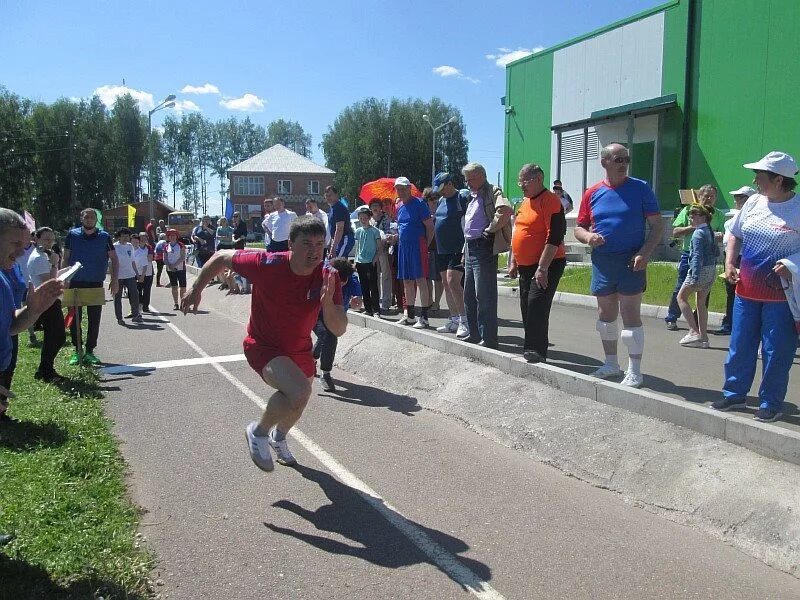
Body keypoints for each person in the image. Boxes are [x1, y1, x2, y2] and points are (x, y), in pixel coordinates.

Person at [180, 216, 346, 472]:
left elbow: (339, 328)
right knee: (299, 391)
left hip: (299, 349)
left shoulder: (328, 276)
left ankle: (278, 438)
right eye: (306, 244)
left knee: (299, 400)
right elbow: (222, 256)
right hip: (264, 345)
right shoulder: (267, 263)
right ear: (290, 244)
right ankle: (257, 432)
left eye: (319, 244)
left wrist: (326, 305)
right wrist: (197, 287)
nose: (314, 251)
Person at [713, 151, 800, 422]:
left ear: (778, 180)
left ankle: (770, 402)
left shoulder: (797, 210)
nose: (755, 180)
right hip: (746, 291)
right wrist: (729, 264)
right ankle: (734, 394)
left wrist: (793, 264)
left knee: (776, 350)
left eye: (760, 176)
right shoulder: (752, 203)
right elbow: (735, 235)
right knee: (740, 344)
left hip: (781, 296)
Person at [574, 143, 664, 388]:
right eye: (618, 159)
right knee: (605, 316)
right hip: (603, 261)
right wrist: (588, 237)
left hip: (631, 261)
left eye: (626, 159)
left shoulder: (640, 188)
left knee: (630, 314)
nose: (623, 163)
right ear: (604, 162)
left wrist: (644, 253)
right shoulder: (592, 193)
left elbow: (657, 225)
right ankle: (611, 364)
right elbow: (579, 227)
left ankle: (635, 370)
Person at [0, 209, 63, 415]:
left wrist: (32, 312)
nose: (21, 252)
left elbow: (8, 327)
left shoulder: (4, 276)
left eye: (24, 245)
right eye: (15, 244)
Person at [508, 163, 567, 363]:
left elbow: (555, 236)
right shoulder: (525, 202)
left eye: (525, 181)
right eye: (519, 181)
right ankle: (531, 348)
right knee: (526, 305)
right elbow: (518, 232)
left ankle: (536, 351)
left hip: (548, 263)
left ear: (539, 179)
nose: (521, 185)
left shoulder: (551, 201)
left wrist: (542, 268)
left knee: (537, 303)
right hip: (525, 265)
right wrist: (514, 261)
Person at [460, 162, 513, 348]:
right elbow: (468, 225)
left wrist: (490, 230)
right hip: (470, 248)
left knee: (484, 295)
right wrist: (464, 251)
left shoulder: (493, 191)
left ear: (480, 176)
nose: (467, 183)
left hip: (484, 248)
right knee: (468, 295)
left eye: (470, 179)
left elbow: (505, 210)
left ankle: (488, 338)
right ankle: (475, 334)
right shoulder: (472, 196)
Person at [664, 184, 726, 330]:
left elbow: (723, 235)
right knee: (681, 286)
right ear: (700, 196)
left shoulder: (719, 215)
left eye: (712, 196)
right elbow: (676, 231)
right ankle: (672, 317)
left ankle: (698, 321)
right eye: (705, 196)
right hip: (689, 254)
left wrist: (715, 234)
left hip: (708, 257)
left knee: (704, 289)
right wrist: (696, 226)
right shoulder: (689, 210)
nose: (708, 199)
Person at [63, 207, 119, 366]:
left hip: (95, 283)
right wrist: (64, 279)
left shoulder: (105, 237)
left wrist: (115, 280)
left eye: (92, 217)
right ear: (82, 219)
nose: (89, 220)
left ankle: (89, 351)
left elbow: (114, 259)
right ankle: (77, 350)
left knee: (94, 319)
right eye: (86, 217)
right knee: (75, 319)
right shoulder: (72, 235)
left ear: (96, 220)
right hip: (75, 283)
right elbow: (66, 258)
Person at [313, 256, 361, 392]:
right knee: (329, 335)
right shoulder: (322, 275)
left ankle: (311, 358)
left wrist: (357, 300)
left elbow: (357, 299)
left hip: (336, 315)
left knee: (326, 337)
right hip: (317, 313)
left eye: (343, 284)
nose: (340, 287)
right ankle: (325, 374)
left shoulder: (351, 279)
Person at [713, 186, 756, 335]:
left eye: (740, 197)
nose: (736, 200)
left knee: (741, 292)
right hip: (730, 258)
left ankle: (736, 325)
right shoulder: (734, 216)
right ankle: (730, 324)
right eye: (736, 197)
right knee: (730, 292)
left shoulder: (753, 216)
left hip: (742, 258)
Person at [431, 173, 469, 337]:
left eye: (442, 188)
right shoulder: (441, 200)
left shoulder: (463, 196)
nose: (441, 192)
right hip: (442, 249)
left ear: (450, 183)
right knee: (446, 284)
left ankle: (464, 321)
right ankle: (454, 319)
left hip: (457, 247)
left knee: (454, 282)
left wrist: (465, 248)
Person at [676, 204, 718, 349]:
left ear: (703, 217)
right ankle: (704, 338)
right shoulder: (709, 231)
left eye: (695, 215)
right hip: (711, 270)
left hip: (699, 271)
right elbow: (716, 252)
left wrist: (694, 275)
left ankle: (694, 331)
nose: (691, 217)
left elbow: (696, 256)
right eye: (690, 215)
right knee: (701, 303)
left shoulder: (698, 233)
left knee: (681, 298)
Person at [394, 177, 434, 328]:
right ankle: (409, 315)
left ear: (409, 188)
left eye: (403, 188)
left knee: (420, 280)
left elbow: (430, 227)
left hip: (418, 246)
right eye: (398, 189)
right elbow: (402, 227)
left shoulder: (419, 204)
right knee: (407, 281)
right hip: (403, 247)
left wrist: (425, 245)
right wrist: (395, 237)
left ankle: (424, 317)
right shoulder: (398, 206)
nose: (401, 191)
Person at [27, 226, 66, 382]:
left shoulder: (43, 255)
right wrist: (56, 264)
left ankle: (44, 369)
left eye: (52, 239)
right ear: (36, 240)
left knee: (54, 337)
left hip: (49, 300)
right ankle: (46, 371)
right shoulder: (39, 258)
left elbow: (52, 278)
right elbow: (50, 282)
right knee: (56, 337)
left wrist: (63, 270)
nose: (50, 243)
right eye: (46, 239)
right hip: (46, 302)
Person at [353, 205, 382, 316]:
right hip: (360, 262)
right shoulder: (358, 231)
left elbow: (379, 248)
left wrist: (374, 259)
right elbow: (358, 247)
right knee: (364, 286)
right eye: (360, 218)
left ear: (369, 218)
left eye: (365, 218)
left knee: (373, 286)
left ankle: (376, 309)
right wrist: (355, 261)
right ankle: (368, 308)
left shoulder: (375, 231)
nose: (362, 220)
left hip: (370, 262)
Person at [369, 199, 394, 312]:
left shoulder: (386, 218)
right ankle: (376, 300)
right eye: (373, 206)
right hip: (372, 251)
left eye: (377, 206)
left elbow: (390, 233)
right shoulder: (370, 220)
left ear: (380, 207)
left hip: (383, 250)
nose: (375, 208)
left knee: (386, 276)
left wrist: (385, 238)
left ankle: (386, 301)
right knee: (374, 276)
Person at [113, 228, 142, 325]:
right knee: (117, 297)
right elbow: (111, 263)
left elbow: (132, 261)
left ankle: (135, 315)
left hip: (130, 275)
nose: (125, 238)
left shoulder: (130, 246)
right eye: (123, 236)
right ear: (119, 237)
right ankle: (119, 318)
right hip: (119, 276)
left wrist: (137, 274)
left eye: (127, 236)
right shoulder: (114, 247)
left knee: (135, 295)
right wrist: (113, 279)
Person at [423, 188, 444, 312]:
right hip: (426, 248)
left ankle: (437, 302)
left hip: (438, 248)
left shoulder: (441, 212)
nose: (434, 201)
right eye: (431, 199)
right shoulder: (424, 213)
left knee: (437, 278)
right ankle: (429, 300)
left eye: (436, 198)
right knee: (426, 278)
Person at [324, 185, 355, 258]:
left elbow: (340, 229)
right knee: (340, 264)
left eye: (330, 195)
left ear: (336, 195)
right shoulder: (333, 208)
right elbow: (333, 229)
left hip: (345, 239)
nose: (328, 198)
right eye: (326, 196)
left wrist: (333, 248)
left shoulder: (339, 208)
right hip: (339, 241)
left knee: (337, 262)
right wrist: (330, 244)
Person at [164, 229, 187, 311]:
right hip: (170, 270)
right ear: (168, 237)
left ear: (176, 237)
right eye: (171, 236)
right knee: (174, 287)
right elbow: (165, 258)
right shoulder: (166, 246)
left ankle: (183, 303)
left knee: (183, 287)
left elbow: (182, 257)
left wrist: (174, 265)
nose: (172, 237)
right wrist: (169, 266)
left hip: (180, 269)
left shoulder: (181, 245)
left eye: (174, 235)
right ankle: (176, 303)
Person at [133, 231, 154, 313]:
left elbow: (150, 258)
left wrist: (140, 258)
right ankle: (139, 304)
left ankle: (146, 306)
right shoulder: (135, 247)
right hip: (137, 272)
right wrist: (143, 258)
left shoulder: (149, 247)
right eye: (142, 237)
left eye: (145, 237)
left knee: (147, 290)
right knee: (138, 290)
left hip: (148, 272)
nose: (143, 239)